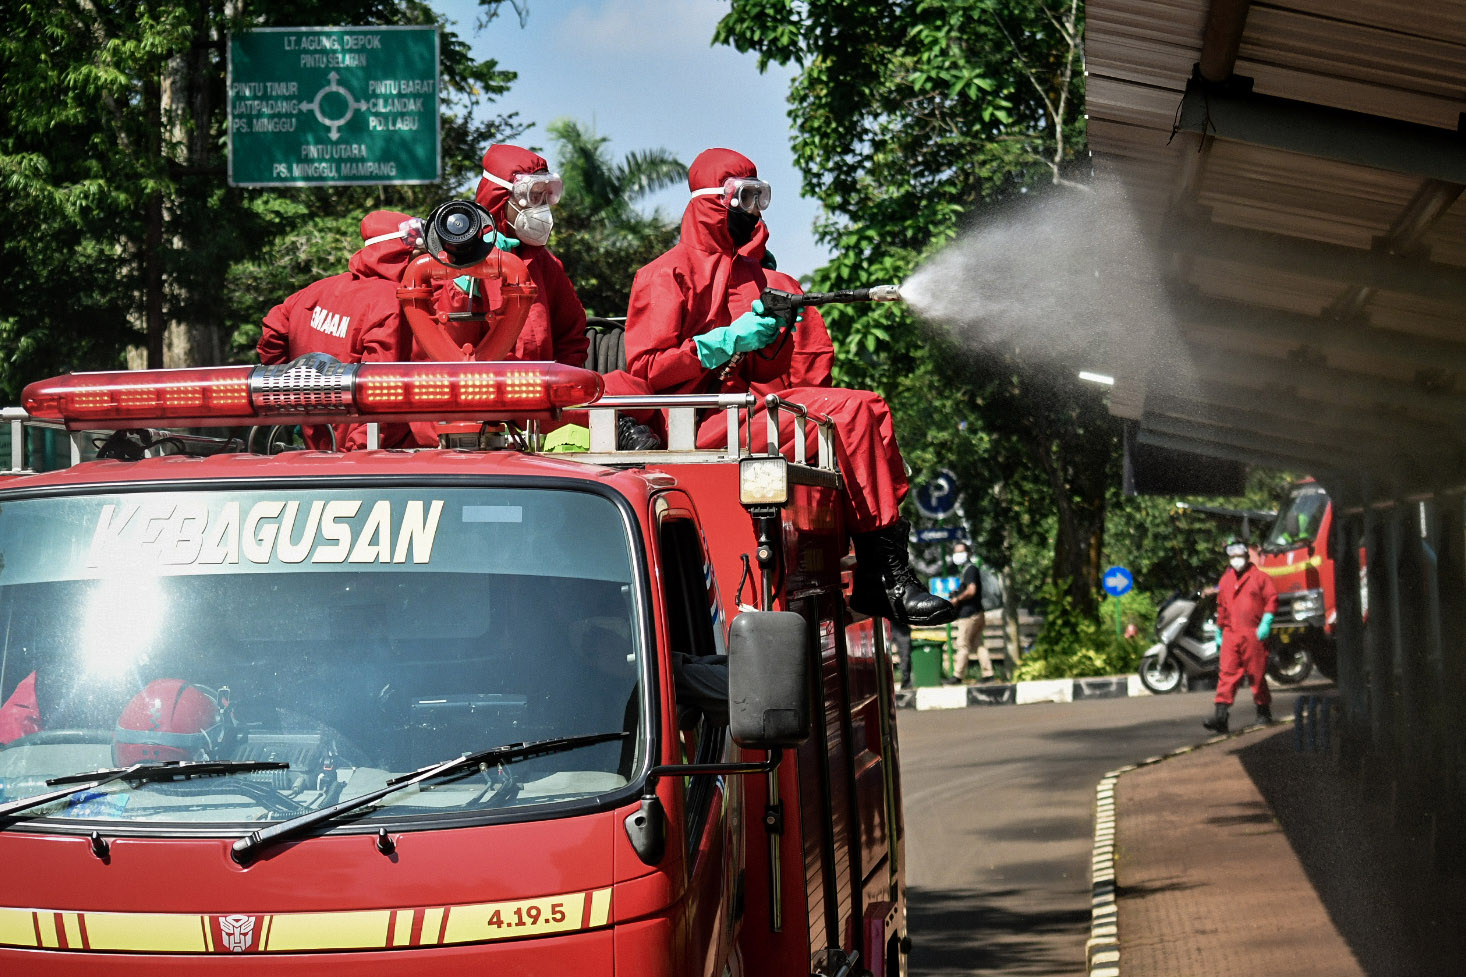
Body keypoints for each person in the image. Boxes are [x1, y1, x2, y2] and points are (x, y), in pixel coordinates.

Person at [624, 147, 954, 626]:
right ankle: (886, 579)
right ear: (713, 201)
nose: (752, 211)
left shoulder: (756, 276)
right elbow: (648, 368)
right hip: (695, 422)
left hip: (746, 410)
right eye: (743, 197)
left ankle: (880, 575)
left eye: (760, 198)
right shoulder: (663, 274)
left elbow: (768, 372)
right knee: (850, 413)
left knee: (866, 408)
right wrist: (721, 342)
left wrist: (773, 333)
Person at [369, 143, 660, 450]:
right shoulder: (449, 261)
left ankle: (597, 419)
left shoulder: (545, 264)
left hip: (537, 393)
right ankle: (602, 420)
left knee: (633, 389)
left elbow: (572, 333)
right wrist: (462, 287)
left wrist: (560, 382)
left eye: (546, 196)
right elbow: (450, 351)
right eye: (533, 196)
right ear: (500, 198)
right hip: (469, 397)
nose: (541, 208)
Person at [258, 209, 421, 449]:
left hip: (315, 449)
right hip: (369, 460)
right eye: (419, 255)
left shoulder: (314, 291)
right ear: (400, 253)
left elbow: (271, 337)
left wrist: (294, 400)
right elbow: (383, 391)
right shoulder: (394, 302)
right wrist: (358, 453)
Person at [1203, 536, 1278, 734]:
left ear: (1246, 553)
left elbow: (1271, 600)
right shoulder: (1226, 580)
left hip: (1253, 633)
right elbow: (1221, 607)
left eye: (1239, 552)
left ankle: (1264, 712)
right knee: (1226, 674)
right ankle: (1221, 716)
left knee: (1256, 673)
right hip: (1230, 633)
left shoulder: (1260, 577)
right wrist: (1219, 630)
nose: (1235, 557)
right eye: (1231, 553)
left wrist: (1266, 622)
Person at [947, 541, 994, 683]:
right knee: (978, 644)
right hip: (977, 613)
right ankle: (989, 674)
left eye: (960, 552)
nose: (958, 555)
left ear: (968, 553)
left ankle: (957, 676)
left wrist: (957, 600)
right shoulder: (967, 570)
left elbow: (971, 590)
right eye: (956, 552)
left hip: (969, 615)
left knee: (962, 644)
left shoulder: (970, 569)